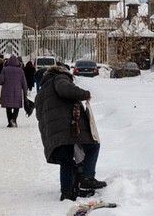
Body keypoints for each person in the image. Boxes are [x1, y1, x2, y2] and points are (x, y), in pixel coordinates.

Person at [35, 64, 106, 200]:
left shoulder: (41, 93)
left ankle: (67, 192)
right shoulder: (59, 78)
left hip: (54, 133)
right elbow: (66, 90)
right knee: (93, 146)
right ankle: (87, 178)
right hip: (67, 126)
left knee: (66, 160)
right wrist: (85, 94)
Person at [0, 54, 28, 127]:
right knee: (17, 107)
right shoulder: (20, 70)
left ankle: (10, 121)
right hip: (17, 91)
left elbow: (0, 80)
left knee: (8, 107)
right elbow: (24, 82)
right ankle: (14, 119)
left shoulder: (4, 69)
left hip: (6, 91)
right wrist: (25, 92)